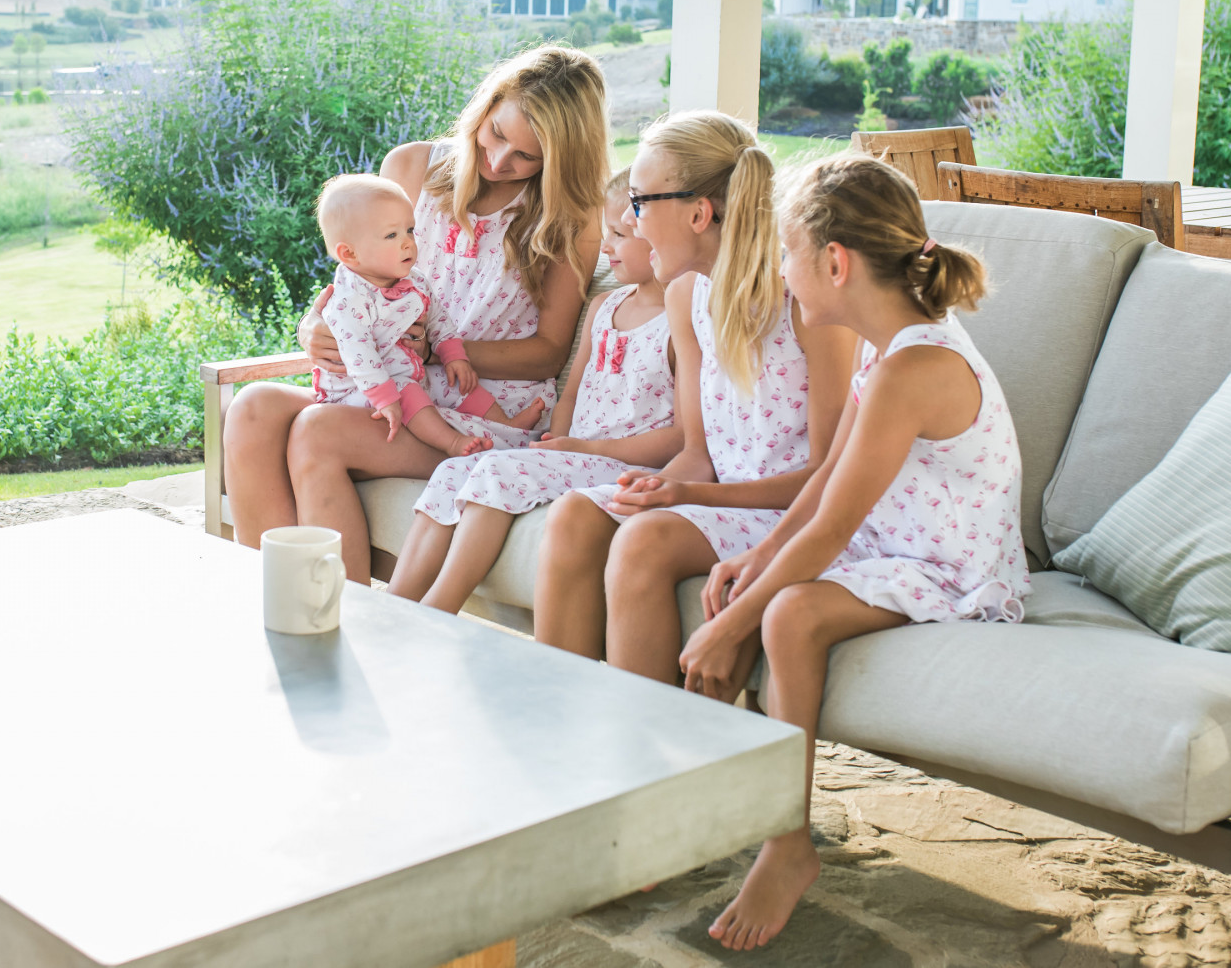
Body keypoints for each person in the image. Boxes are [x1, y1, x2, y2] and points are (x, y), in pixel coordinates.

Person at [682, 153, 1024, 951]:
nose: (779, 270)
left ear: (834, 263)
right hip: (889, 544)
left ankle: (787, 840)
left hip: (950, 570)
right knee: (753, 589)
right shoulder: (884, 343)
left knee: (788, 613)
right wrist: (757, 557)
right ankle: (707, 799)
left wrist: (738, 620)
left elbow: (833, 529)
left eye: (786, 252)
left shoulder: (916, 365)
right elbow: (826, 482)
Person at [223, 46, 610, 582]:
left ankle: (343, 623)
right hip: (396, 384)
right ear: (486, 106)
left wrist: (436, 350)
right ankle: (276, 602)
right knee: (252, 408)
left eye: (528, 155)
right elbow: (357, 273)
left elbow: (548, 351)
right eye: (497, 134)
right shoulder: (411, 167)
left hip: (483, 408)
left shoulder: (569, 212)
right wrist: (315, 324)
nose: (500, 162)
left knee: (319, 431)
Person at [534, 111, 855, 663]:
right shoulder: (688, 297)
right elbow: (699, 457)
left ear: (700, 214)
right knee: (575, 513)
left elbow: (826, 477)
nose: (630, 225)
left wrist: (687, 495)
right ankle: (564, 724)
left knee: (644, 542)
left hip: (803, 518)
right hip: (727, 503)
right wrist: (658, 487)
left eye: (639, 202)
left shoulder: (806, 301)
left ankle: (647, 742)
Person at [386, 169, 681, 613]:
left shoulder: (683, 323)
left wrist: (578, 447)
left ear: (660, 237)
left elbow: (684, 436)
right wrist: (555, 440)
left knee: (496, 474)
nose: (605, 248)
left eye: (619, 235)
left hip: (620, 463)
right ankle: (393, 606)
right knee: (453, 471)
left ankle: (434, 612)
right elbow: (572, 395)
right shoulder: (606, 306)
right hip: (570, 453)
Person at [309, 173, 547, 458]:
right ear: (350, 254)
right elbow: (361, 358)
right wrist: (384, 398)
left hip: (406, 371)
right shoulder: (348, 301)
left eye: (409, 230)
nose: (408, 242)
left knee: (455, 380)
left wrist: (453, 355)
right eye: (391, 235)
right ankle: (453, 443)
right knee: (406, 392)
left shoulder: (415, 281)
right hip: (361, 390)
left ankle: (507, 426)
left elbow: (439, 320)